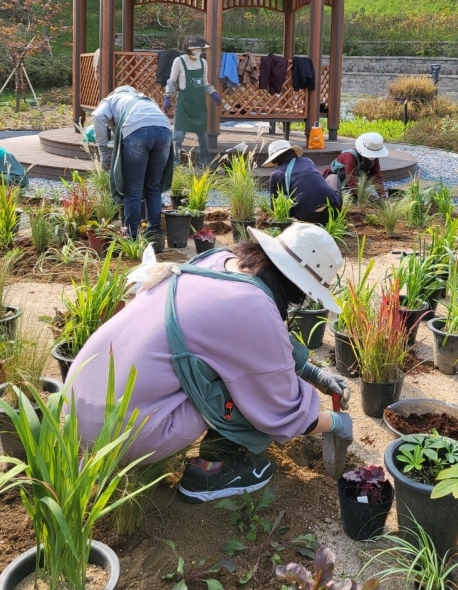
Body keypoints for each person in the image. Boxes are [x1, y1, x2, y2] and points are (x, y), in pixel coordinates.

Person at [66, 223, 353, 504]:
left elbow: (250, 342)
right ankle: (210, 473)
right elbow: (281, 411)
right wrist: (335, 423)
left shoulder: (218, 261)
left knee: (226, 370)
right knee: (244, 389)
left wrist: (311, 372)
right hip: (122, 433)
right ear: (298, 287)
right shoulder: (254, 306)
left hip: (76, 405)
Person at [92, 85, 173, 241]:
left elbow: (97, 116)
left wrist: (103, 152)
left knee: (133, 188)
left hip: (136, 132)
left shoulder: (110, 100)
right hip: (164, 130)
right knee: (154, 186)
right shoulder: (145, 98)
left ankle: (132, 236)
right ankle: (154, 234)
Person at [163, 35, 221, 167]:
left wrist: (213, 92)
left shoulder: (203, 62)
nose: (198, 51)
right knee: (178, 137)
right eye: (196, 49)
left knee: (204, 138)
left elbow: (205, 83)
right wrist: (167, 97)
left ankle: (204, 162)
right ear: (189, 49)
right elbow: (172, 81)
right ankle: (174, 162)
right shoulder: (179, 61)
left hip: (199, 105)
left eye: (200, 49)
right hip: (184, 104)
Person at [263, 140, 342, 224]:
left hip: (307, 216)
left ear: (275, 161)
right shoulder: (307, 161)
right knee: (333, 177)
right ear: (293, 153)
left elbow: (275, 206)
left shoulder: (276, 174)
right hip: (334, 210)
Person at [324, 132, 388, 199]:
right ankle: (345, 194)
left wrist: (382, 195)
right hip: (337, 179)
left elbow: (376, 176)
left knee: (367, 176)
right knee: (343, 174)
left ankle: (354, 194)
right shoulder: (351, 156)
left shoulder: (374, 159)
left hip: (354, 179)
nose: (372, 157)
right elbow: (350, 178)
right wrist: (360, 196)